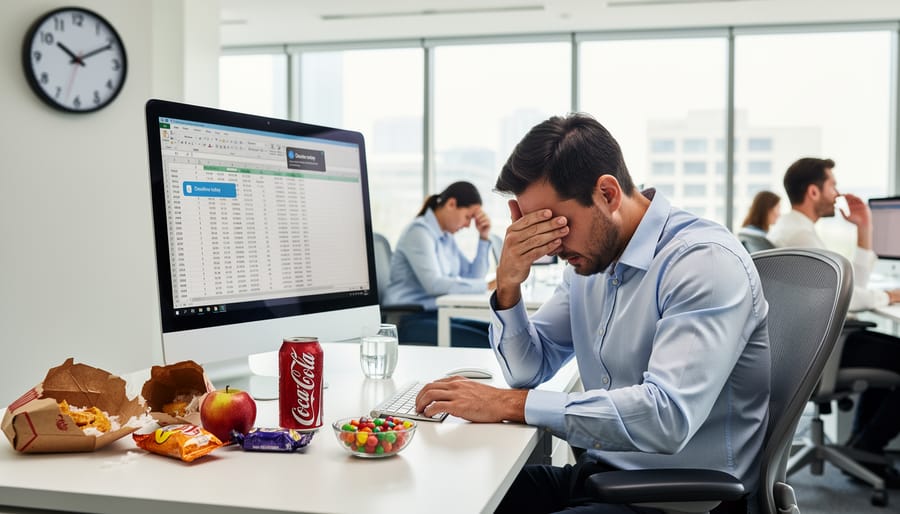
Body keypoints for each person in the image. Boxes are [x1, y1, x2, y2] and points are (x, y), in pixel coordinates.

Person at [415, 113, 771, 513]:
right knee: (450, 494)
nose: (549, 246)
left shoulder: (702, 262)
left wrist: (511, 404)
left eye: (556, 223)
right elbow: (528, 368)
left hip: (680, 500)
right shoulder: (590, 264)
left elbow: (666, 417)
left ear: (607, 193)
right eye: (534, 226)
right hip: (604, 477)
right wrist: (508, 285)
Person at [767, 157, 900, 485]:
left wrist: (864, 228)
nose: (837, 194)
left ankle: (861, 448)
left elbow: (851, 287)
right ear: (814, 191)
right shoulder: (800, 235)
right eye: (832, 186)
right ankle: (868, 447)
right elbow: (850, 297)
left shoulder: (791, 228)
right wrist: (892, 296)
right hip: (822, 351)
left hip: (806, 345)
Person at [384, 181, 494, 347]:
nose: (468, 225)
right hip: (408, 320)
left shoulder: (446, 238)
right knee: (490, 343)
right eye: (467, 217)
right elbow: (434, 285)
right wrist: (486, 286)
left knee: (497, 335)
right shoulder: (418, 232)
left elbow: (473, 276)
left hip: (437, 315)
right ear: (451, 204)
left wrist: (483, 237)